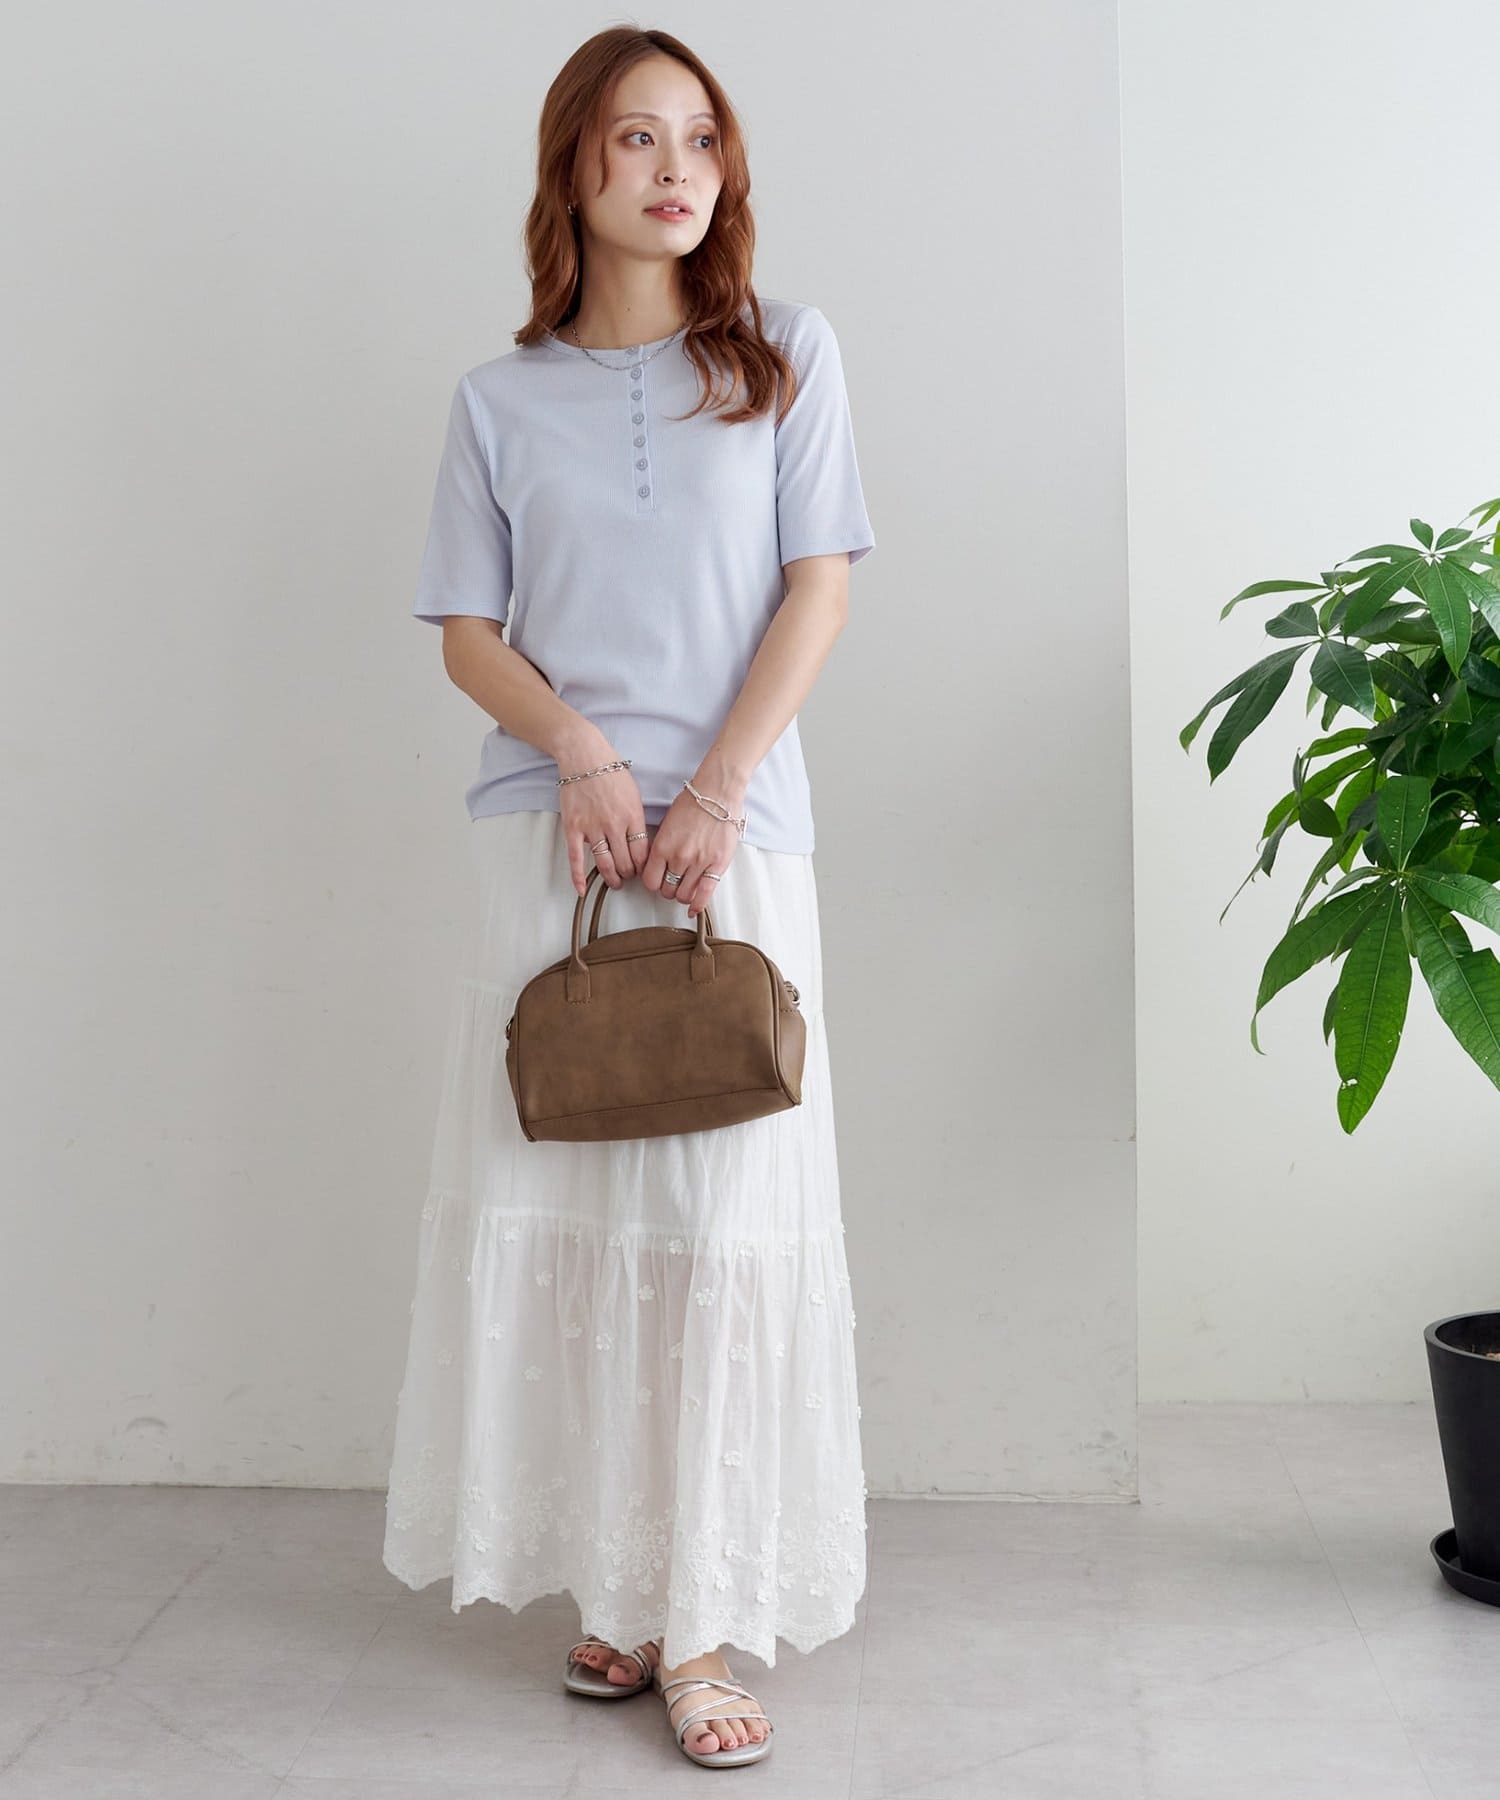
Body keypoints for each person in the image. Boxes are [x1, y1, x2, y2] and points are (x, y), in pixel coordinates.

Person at [381, 24, 876, 1769]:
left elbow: (818, 591)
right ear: (572, 167)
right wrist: (584, 755)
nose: (678, 170)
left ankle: (708, 1616)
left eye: (703, 140)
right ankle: (624, 1588)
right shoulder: (496, 400)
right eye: (638, 138)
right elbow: (468, 633)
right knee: (585, 1220)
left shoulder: (787, 356)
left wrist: (715, 784)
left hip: (739, 845)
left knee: (722, 1228)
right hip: (558, 847)